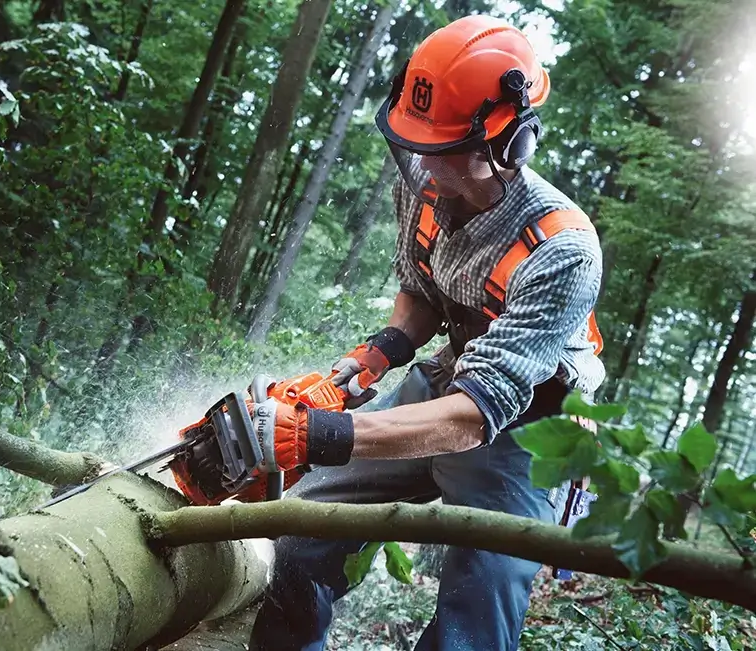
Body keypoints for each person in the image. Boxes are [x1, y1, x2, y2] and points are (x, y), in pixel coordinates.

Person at [243, 14, 607, 651]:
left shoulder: (563, 249)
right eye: (417, 144)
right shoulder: (425, 183)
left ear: (510, 142)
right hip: (451, 376)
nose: (423, 162)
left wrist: (321, 433)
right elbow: (423, 291)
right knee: (303, 524)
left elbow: (475, 415)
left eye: (442, 149)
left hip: (529, 419)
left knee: (482, 601)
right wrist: (378, 353)